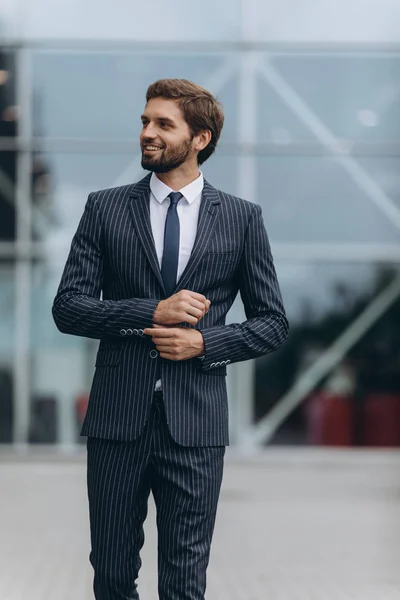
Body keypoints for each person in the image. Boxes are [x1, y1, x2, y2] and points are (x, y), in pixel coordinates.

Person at [52, 78, 289, 600]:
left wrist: (206, 344)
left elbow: (273, 321)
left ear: (200, 138)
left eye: (163, 124)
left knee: (184, 581)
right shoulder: (105, 208)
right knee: (112, 574)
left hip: (197, 423)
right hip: (118, 419)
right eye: (144, 122)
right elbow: (67, 308)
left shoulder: (243, 220)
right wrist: (150, 312)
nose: (147, 133)